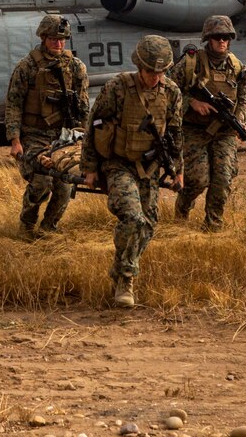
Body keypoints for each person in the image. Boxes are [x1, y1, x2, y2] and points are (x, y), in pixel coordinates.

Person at [79, 35, 183, 308]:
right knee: (133, 218)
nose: (155, 77)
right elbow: (94, 126)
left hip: (149, 166)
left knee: (148, 226)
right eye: (150, 71)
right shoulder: (118, 88)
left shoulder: (171, 92)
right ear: (140, 66)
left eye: (160, 72)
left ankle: (119, 269)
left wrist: (177, 169)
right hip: (118, 163)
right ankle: (125, 279)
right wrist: (89, 168)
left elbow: (175, 133)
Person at [5, 14, 89, 239]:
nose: (58, 44)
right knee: (42, 181)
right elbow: (13, 104)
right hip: (34, 135)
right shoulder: (27, 67)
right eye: (53, 39)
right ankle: (27, 226)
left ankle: (49, 228)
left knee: (64, 186)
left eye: (62, 39)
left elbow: (83, 107)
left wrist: (88, 139)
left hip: (64, 136)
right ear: (43, 38)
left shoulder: (76, 67)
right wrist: (15, 140)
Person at [168, 14, 246, 231]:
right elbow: (166, 91)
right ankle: (183, 208)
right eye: (217, 37)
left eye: (226, 37)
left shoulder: (237, 67)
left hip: (224, 131)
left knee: (223, 178)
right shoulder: (190, 63)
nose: (222, 41)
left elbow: (244, 100)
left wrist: (241, 120)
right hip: (194, 129)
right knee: (197, 179)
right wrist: (191, 102)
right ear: (208, 38)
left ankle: (213, 226)